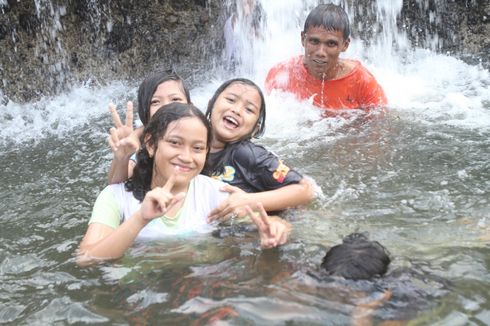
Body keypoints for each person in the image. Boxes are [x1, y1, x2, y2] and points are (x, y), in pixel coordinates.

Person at [78, 103, 290, 266]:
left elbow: (268, 223)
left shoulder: (214, 192)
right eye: (175, 143)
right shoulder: (116, 196)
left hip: (199, 290)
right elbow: (86, 258)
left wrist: (276, 228)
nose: (186, 157)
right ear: (151, 144)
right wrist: (140, 219)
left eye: (197, 148)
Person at [203, 78, 315, 222]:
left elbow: (305, 189)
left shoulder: (248, 155)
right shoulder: (192, 146)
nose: (236, 110)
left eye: (249, 109)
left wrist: (249, 201)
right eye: (231, 100)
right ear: (210, 104)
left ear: (255, 130)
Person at [264, 3, 387, 112]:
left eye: (331, 44)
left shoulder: (362, 82)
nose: (321, 52)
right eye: (314, 41)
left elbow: (380, 127)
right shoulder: (281, 76)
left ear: (345, 45)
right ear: (303, 39)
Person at [107, 71, 191, 184]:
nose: (166, 106)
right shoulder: (146, 147)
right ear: (145, 112)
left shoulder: (202, 135)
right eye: (155, 102)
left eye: (175, 99)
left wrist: (137, 133)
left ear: (191, 106)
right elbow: (115, 188)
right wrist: (122, 158)